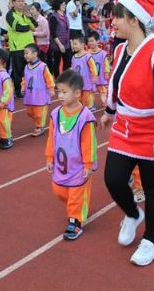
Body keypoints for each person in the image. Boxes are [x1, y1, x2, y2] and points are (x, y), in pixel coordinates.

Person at [99, 0, 154, 266]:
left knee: (153, 188)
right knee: (113, 179)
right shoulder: (120, 50)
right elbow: (117, 84)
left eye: (117, 18)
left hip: (153, 129)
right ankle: (133, 214)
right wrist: (109, 111)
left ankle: (151, 240)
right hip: (124, 126)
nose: (113, 23)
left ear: (134, 19)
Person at [45, 69, 98, 240]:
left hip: (78, 166)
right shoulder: (56, 114)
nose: (60, 95)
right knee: (60, 191)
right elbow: (51, 138)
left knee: (76, 194)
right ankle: (76, 209)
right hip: (61, 166)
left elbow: (89, 142)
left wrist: (88, 164)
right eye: (58, 91)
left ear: (77, 93)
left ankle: (74, 222)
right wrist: (49, 157)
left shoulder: (85, 117)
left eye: (64, 92)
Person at [6, 0, 37, 98]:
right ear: (13, 2)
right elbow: (18, 28)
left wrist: (30, 17)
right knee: (18, 71)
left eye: (23, 1)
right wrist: (27, 25)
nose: (21, 3)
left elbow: (35, 26)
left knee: (31, 68)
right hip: (17, 48)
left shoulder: (25, 14)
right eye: (19, 1)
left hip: (29, 46)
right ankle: (18, 91)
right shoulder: (10, 15)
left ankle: (30, 87)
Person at [22, 43, 55, 137]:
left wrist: (51, 88)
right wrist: (23, 87)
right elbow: (24, 79)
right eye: (24, 53)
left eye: (27, 53)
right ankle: (38, 123)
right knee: (30, 112)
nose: (25, 55)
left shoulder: (42, 66)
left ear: (35, 54)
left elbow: (49, 78)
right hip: (30, 95)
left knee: (39, 113)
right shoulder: (26, 67)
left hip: (40, 95)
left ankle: (40, 126)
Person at [70, 35, 97, 109]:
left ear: (82, 45)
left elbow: (93, 67)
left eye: (75, 44)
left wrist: (94, 76)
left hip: (87, 82)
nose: (74, 46)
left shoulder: (87, 56)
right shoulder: (74, 57)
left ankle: (89, 108)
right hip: (78, 83)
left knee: (87, 99)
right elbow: (73, 68)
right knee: (79, 100)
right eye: (73, 44)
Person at [48, 0, 71, 77]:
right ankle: (57, 80)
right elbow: (53, 33)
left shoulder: (65, 15)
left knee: (67, 62)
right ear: (58, 5)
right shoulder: (53, 17)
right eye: (63, 4)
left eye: (65, 4)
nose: (65, 6)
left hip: (66, 43)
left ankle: (65, 78)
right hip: (57, 44)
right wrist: (60, 45)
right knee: (57, 63)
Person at [87, 31, 110, 107]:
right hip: (91, 77)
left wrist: (106, 72)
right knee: (90, 91)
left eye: (92, 41)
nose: (90, 43)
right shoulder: (87, 53)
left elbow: (106, 64)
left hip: (100, 76)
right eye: (89, 41)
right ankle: (91, 104)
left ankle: (106, 102)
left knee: (103, 91)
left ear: (97, 41)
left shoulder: (102, 53)